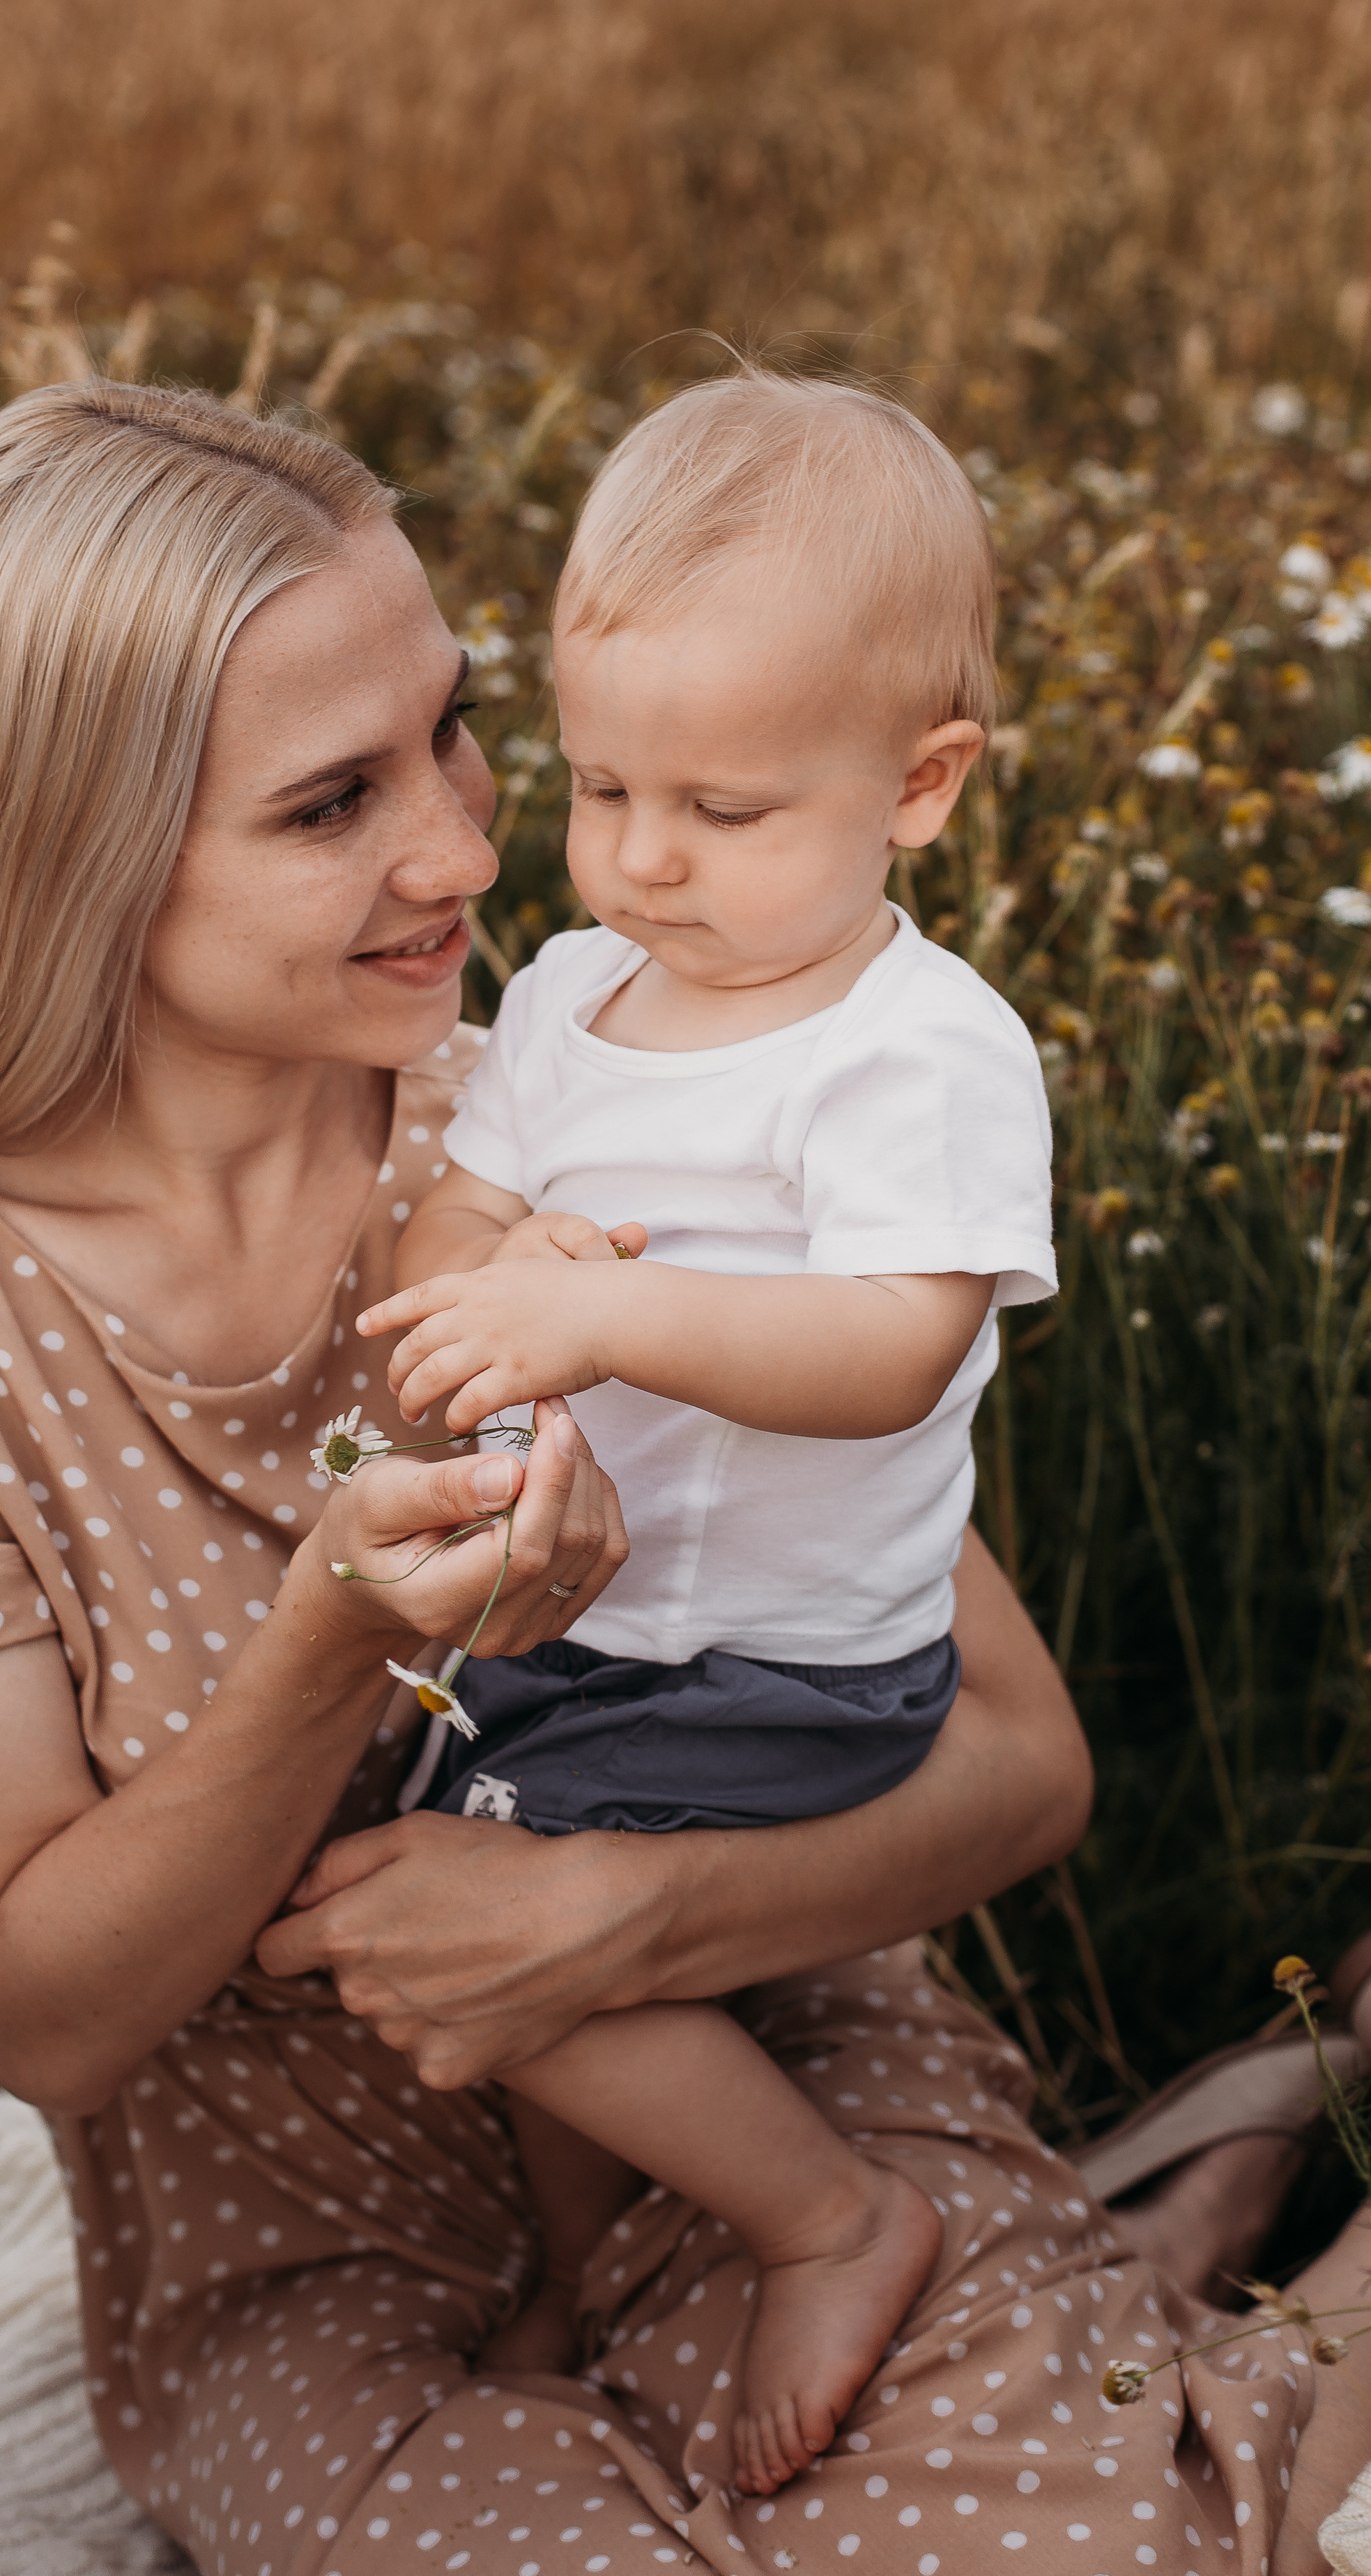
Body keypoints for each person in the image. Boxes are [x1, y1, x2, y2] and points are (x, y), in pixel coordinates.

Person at [0, 376, 1371, 2576]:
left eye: (458, 733)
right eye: (333, 805)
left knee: (1077, 2558)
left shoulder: (564, 1108)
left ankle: (1314, 2189)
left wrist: (620, 1920)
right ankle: (1219, 2167)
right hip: (312, 2243)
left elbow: (1024, 1767)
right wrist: (338, 1632)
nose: (475, 851)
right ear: (70, 849)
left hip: (766, 2083)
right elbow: (46, 2015)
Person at [355, 372, 1052, 2497]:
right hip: (586, 1617)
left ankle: (833, 2217)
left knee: (506, 1924)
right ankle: (587, 2260)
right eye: (600, 785)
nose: (645, 859)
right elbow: (463, 1250)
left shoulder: (913, 1052)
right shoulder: (573, 996)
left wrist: (612, 1304)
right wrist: (497, 1256)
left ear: (918, 789)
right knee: (488, 1948)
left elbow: (895, 1352)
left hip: (794, 1654)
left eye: (726, 813)